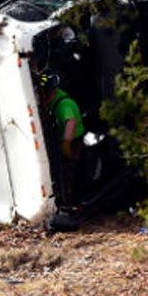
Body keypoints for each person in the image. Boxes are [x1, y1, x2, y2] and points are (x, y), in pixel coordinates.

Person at [42, 71, 85, 207]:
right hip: (65, 141)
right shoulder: (54, 100)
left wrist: (66, 144)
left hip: (73, 142)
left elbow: (70, 122)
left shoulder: (63, 105)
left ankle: (71, 200)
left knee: (69, 171)